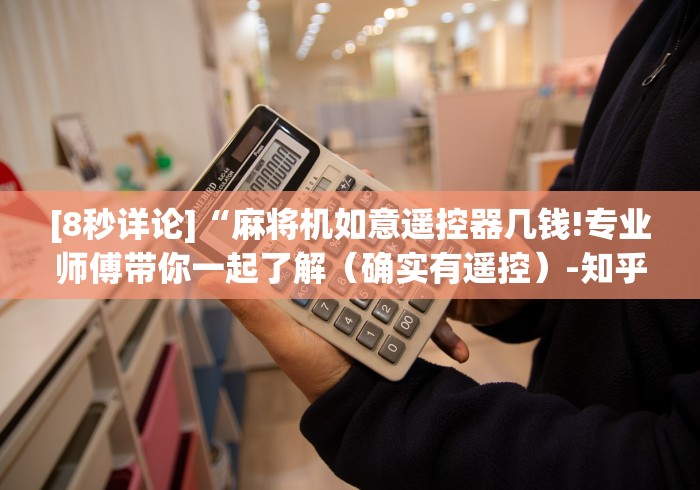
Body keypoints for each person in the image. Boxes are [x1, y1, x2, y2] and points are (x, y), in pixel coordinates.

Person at [207, 0, 700, 487]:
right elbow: (595, 182)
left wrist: (371, 410)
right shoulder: (661, 17)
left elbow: (677, 467)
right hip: (566, 399)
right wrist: (534, 275)